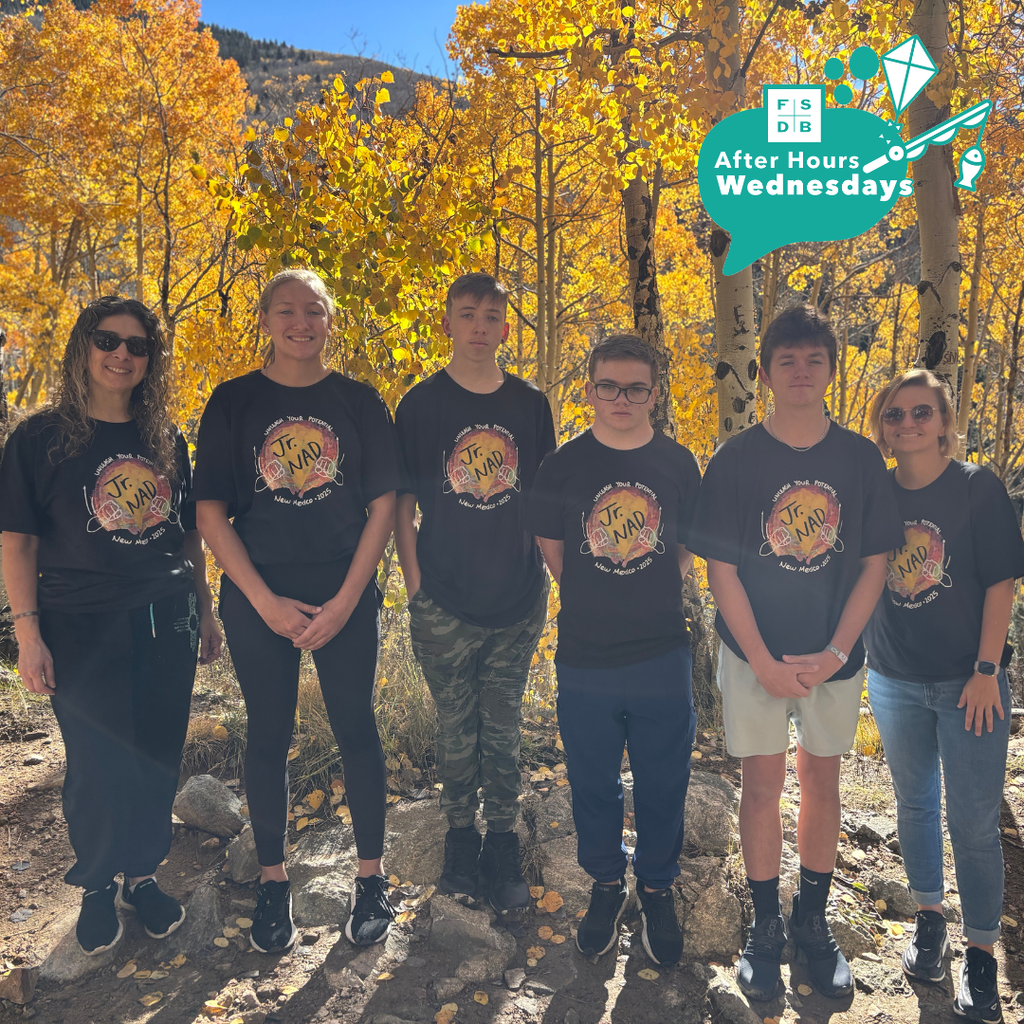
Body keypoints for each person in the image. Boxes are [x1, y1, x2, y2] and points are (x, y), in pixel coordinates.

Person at [688, 304, 904, 1001]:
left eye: (815, 360)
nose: (802, 372)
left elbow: (874, 563)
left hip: (834, 656)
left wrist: (839, 648)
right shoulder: (736, 459)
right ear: (766, 373)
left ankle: (813, 923)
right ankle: (764, 927)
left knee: (822, 785)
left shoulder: (860, 459)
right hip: (753, 654)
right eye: (788, 361)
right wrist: (762, 661)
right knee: (759, 787)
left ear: (831, 370)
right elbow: (720, 571)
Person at [0, 296, 222, 956]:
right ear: (83, 347)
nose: (122, 354)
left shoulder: (164, 440)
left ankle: (143, 876)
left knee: (155, 752)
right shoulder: (38, 439)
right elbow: (17, 543)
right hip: (77, 622)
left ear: (150, 361)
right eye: (108, 340)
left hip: (165, 619)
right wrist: (28, 634)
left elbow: (187, 541)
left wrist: (205, 611)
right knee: (96, 763)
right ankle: (97, 885)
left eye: (137, 345)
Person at [193, 268, 400, 953]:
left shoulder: (360, 402)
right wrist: (262, 601)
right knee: (268, 735)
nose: (300, 323)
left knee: (355, 728)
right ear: (265, 320)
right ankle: (274, 883)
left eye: (313, 311)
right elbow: (211, 514)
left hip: (344, 591)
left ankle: (371, 878)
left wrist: (345, 601)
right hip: (259, 596)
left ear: (329, 321)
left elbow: (384, 507)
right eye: (286, 310)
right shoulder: (233, 402)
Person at [526, 335, 701, 966]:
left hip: (660, 652)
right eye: (609, 386)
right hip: (584, 655)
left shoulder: (679, 464)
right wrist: (593, 595)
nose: (621, 399)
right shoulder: (563, 465)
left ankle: (656, 888)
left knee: (663, 781)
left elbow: (683, 552)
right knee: (592, 782)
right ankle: (605, 883)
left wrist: (645, 593)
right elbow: (552, 547)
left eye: (635, 388)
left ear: (654, 393)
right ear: (590, 389)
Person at [864, 369, 1024, 1023]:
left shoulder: (976, 488)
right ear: (883, 425)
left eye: (921, 413)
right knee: (914, 805)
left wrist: (987, 669)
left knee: (974, 824)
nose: (908, 425)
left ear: (943, 420)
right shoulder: (874, 491)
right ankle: (928, 923)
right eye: (896, 415)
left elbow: (1000, 584)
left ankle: (981, 953)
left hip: (970, 684)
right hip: (894, 678)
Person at [394, 272, 555, 911]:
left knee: (504, 726)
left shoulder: (529, 405)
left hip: (517, 598)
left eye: (492, 316)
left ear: (506, 327)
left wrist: (549, 575)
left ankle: (504, 843)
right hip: (444, 599)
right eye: (468, 315)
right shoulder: (421, 405)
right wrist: (415, 587)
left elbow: (544, 501)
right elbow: (403, 503)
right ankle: (461, 838)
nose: (480, 327)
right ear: (448, 324)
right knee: (455, 725)